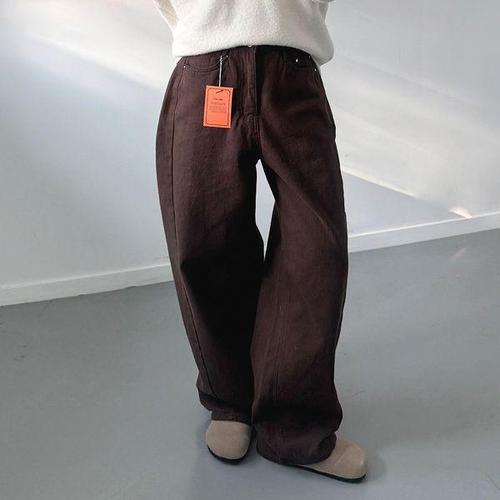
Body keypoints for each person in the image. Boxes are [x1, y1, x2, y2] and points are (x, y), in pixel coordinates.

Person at [153, 0, 367, 482]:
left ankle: (294, 424)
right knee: (205, 245)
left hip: (293, 71)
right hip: (205, 72)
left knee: (316, 250)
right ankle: (231, 401)